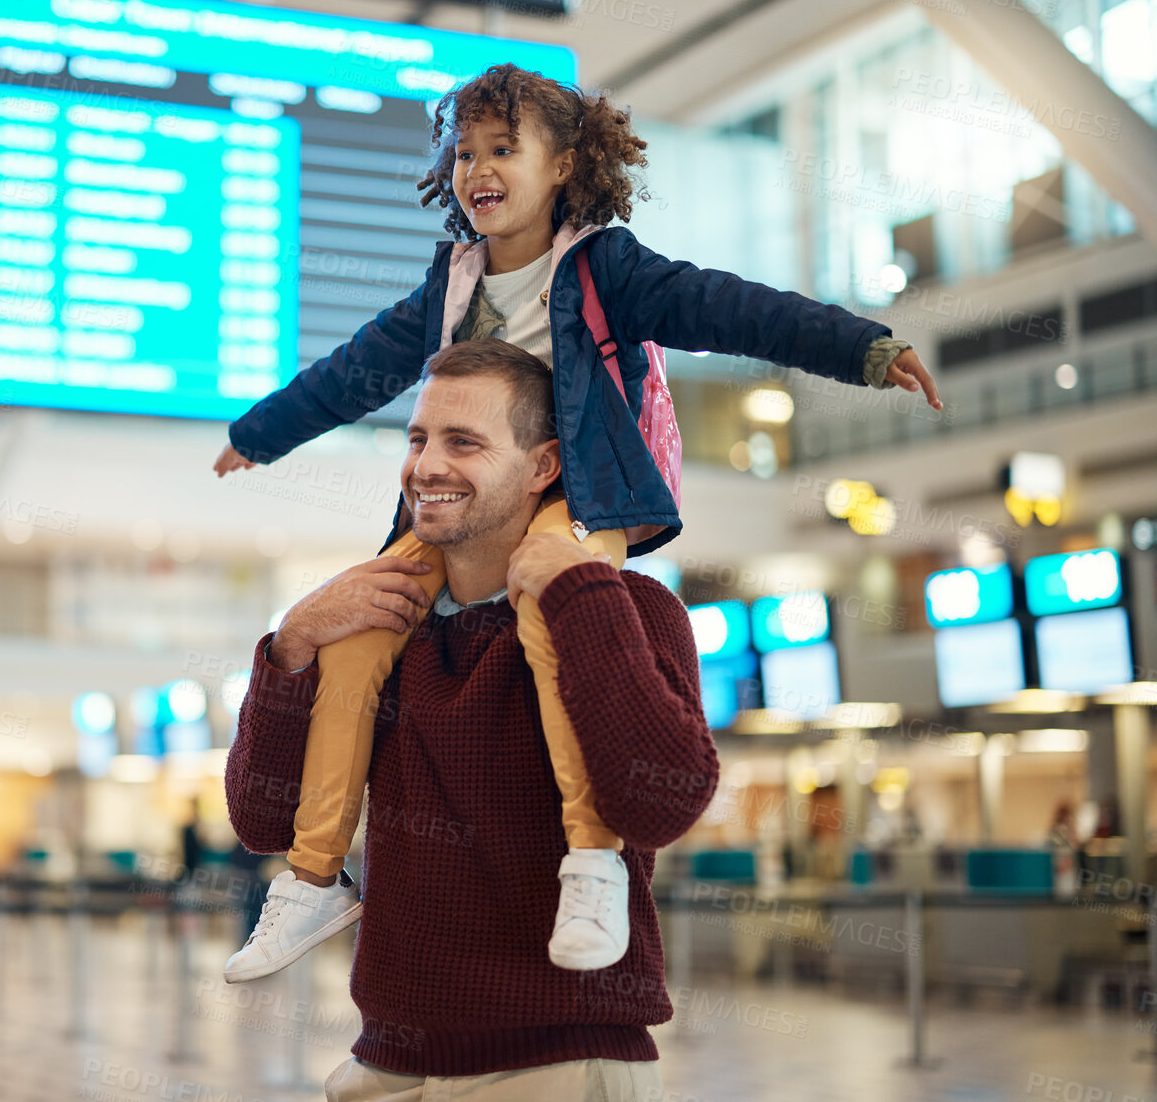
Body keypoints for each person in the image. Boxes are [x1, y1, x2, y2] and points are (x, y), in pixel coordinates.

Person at [215, 62, 941, 982]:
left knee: (552, 603)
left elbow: (735, 308)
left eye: (503, 148)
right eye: (466, 151)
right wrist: (257, 433)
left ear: (564, 164)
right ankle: (315, 876)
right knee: (359, 634)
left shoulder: (606, 267)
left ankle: (591, 860)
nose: (478, 167)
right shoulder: (454, 280)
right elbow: (357, 368)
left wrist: (869, 349)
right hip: (459, 508)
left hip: (576, 492)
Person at [224, 340, 718, 1099]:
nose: (427, 466)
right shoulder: (379, 628)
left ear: (544, 467)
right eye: (418, 437)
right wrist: (291, 644)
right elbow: (263, 822)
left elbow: (663, 799)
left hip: (554, 1059)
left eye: (464, 442)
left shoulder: (631, 608)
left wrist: (580, 595)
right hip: (385, 1060)